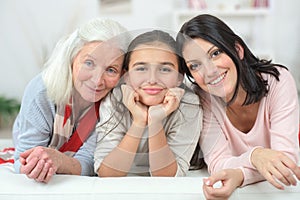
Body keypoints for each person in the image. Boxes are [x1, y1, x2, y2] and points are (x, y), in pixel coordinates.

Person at [176, 14, 300, 199]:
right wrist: (256, 156)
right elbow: (218, 164)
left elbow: (285, 163)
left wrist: (241, 174)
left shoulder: (278, 81)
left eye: (215, 53)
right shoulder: (201, 98)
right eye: (195, 65)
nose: (209, 71)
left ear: (238, 50)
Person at [13, 18, 127, 183]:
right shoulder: (41, 92)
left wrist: (60, 160)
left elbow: (89, 162)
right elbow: (22, 159)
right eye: (89, 63)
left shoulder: (115, 103)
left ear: (122, 74)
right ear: (72, 58)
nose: (97, 81)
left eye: (111, 70)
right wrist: (32, 165)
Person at [94, 30, 202, 177]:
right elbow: (106, 173)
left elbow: (166, 178)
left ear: (179, 78)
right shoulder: (115, 100)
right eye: (141, 68)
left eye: (165, 69)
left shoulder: (189, 104)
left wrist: (155, 121)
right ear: (126, 76)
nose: (152, 79)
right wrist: (138, 121)